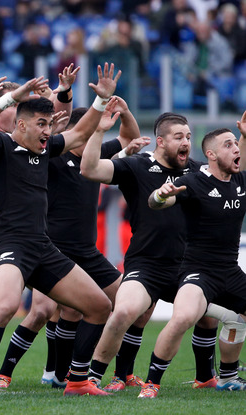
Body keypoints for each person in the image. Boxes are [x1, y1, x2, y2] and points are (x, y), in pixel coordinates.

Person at [0, 65, 121, 399]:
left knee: (100, 306)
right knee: (4, 307)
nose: (47, 130)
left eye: (49, 124)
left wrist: (101, 102)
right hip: (9, 245)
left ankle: (76, 381)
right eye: (41, 124)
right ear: (21, 125)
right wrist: (13, 97)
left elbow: (77, 134)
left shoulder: (45, 151)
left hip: (42, 247)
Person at [0, 97, 142, 391]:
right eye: (87, 132)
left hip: (87, 251)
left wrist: (125, 110)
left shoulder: (93, 156)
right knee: (42, 311)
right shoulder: (50, 155)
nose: (90, 138)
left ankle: (111, 374)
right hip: (51, 248)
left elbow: (129, 136)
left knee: (129, 303)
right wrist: (63, 99)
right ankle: (5, 374)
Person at [81, 110, 232, 390]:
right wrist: (99, 131)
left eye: (188, 137)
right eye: (178, 137)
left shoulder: (198, 172)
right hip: (146, 264)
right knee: (125, 312)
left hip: (189, 266)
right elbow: (89, 169)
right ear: (160, 142)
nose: (185, 142)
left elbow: (233, 175)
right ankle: (96, 378)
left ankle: (205, 378)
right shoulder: (137, 166)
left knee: (210, 314)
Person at [139, 121, 246, 398]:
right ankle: (152, 383)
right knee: (183, 317)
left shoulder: (240, 181)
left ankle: (228, 377)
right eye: (228, 144)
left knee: (238, 320)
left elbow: (241, 157)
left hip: (231, 271)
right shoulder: (194, 181)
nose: (235, 148)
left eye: (237, 143)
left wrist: (244, 136)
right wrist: (160, 195)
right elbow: (155, 202)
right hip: (198, 272)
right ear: (210, 155)